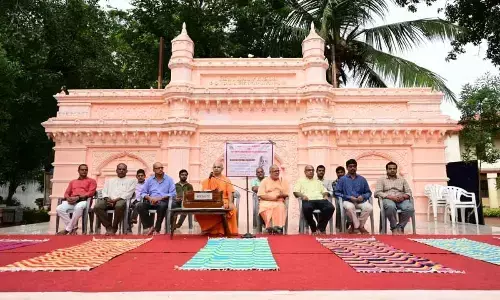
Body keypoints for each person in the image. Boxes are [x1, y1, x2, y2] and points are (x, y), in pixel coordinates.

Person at [196, 162, 238, 236]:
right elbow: (204, 193)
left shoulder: (226, 180)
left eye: (218, 167)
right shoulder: (207, 180)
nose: (216, 169)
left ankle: (222, 231)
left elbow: (230, 192)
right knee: (198, 211)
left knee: (232, 209)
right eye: (214, 167)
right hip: (210, 201)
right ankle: (208, 229)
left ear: (222, 169)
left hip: (223, 200)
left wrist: (231, 203)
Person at [94, 163, 136, 235]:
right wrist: (107, 199)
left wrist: (115, 200)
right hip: (108, 200)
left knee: (119, 206)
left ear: (126, 171)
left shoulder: (132, 181)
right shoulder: (110, 180)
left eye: (123, 169)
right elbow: (104, 191)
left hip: (121, 200)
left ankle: (114, 227)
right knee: (97, 206)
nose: (121, 171)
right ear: (116, 170)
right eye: (119, 169)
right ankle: (108, 227)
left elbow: (129, 193)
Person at [137, 162, 177, 235]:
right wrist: (149, 198)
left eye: (162, 168)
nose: (161, 169)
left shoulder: (169, 179)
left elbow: (173, 193)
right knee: (139, 205)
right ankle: (149, 226)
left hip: (163, 201)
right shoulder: (149, 180)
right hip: (151, 201)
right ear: (154, 170)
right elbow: (143, 193)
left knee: (162, 205)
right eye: (158, 168)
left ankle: (157, 229)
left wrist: (160, 198)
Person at [374, 162, 414, 235]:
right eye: (390, 169)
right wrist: (391, 197)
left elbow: (409, 192)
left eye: (394, 169)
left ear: (396, 170)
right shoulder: (381, 180)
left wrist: (403, 196)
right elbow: (377, 193)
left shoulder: (402, 179)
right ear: (386, 170)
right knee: (390, 206)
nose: (392, 170)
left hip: (401, 199)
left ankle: (400, 227)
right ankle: (394, 227)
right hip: (388, 199)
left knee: (410, 208)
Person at [56, 164, 97, 235]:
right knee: (59, 208)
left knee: (78, 207)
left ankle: (67, 229)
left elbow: (90, 193)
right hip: (72, 201)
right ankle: (73, 227)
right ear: (78, 171)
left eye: (86, 170)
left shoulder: (92, 181)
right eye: (82, 170)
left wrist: (78, 197)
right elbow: (66, 193)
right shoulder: (73, 182)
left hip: (84, 201)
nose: (84, 171)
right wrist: (68, 198)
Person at [293, 165, 334, 235]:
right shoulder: (300, 181)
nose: (311, 171)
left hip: (320, 199)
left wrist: (325, 195)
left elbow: (324, 191)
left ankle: (320, 227)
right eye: (309, 170)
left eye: (312, 170)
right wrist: (302, 196)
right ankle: (313, 227)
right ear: (305, 172)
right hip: (308, 200)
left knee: (330, 208)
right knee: (307, 208)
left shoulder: (317, 181)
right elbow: (295, 192)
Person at [335, 159, 372, 234]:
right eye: (350, 166)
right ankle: (359, 227)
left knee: (369, 207)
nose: (352, 168)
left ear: (356, 167)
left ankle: (357, 226)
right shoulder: (342, 179)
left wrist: (363, 196)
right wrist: (349, 197)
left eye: (354, 166)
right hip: (348, 201)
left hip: (360, 201)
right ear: (347, 168)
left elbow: (368, 192)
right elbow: (337, 192)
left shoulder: (362, 179)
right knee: (349, 207)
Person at [257, 165, 289, 234]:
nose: (277, 172)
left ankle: (277, 227)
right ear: (270, 172)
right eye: (275, 171)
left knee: (280, 207)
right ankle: (269, 227)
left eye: (278, 171)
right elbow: (261, 194)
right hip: (266, 202)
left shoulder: (283, 180)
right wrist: (272, 198)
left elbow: (286, 193)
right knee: (265, 208)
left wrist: (280, 195)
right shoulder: (264, 181)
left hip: (279, 201)